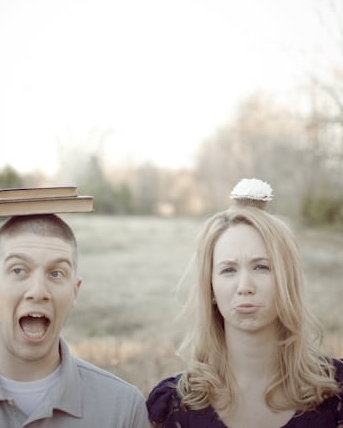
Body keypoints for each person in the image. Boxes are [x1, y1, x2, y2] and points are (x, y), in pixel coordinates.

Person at [147, 178, 343, 428]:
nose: (244, 286)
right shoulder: (173, 406)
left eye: (261, 267)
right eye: (228, 270)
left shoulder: (336, 392)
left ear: (287, 280)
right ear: (211, 288)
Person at [0, 213, 150, 427]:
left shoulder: (123, 409)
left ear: (75, 291)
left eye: (56, 273)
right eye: (18, 270)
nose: (38, 292)